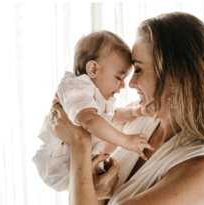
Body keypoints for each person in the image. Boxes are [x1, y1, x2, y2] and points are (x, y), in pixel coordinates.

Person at [35, 12, 204, 204]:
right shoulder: (135, 121)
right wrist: (96, 189)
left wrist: (79, 142)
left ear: (174, 74)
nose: (129, 83)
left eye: (138, 69)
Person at [33, 30, 153, 192]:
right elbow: (90, 120)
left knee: (107, 185)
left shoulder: (95, 96)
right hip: (61, 161)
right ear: (93, 69)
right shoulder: (76, 87)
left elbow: (110, 117)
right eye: (119, 77)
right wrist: (125, 140)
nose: (124, 85)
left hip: (81, 158)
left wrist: (134, 112)